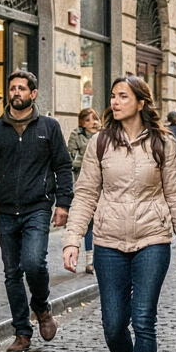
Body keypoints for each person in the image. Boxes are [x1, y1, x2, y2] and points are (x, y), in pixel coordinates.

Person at [62, 76, 176, 352]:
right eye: (113, 95)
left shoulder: (164, 143)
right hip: (108, 242)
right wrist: (73, 239)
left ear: (140, 102)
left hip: (153, 240)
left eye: (124, 95)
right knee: (113, 325)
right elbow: (86, 193)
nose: (116, 101)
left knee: (144, 321)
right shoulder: (100, 142)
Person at [0, 71, 75, 352]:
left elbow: (63, 167)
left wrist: (63, 204)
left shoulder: (49, 127)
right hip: (5, 209)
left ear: (33, 93)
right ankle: (21, 332)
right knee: (11, 273)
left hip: (37, 207)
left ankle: (41, 307)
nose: (15, 92)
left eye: (21, 88)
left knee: (33, 262)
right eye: (12, 88)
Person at [66, 108, 101, 273]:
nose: (93, 122)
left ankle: (99, 259)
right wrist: (87, 163)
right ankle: (90, 261)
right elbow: (69, 158)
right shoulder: (77, 136)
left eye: (95, 119)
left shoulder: (105, 135)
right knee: (89, 223)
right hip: (85, 184)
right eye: (88, 120)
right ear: (82, 123)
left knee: (101, 224)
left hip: (105, 186)